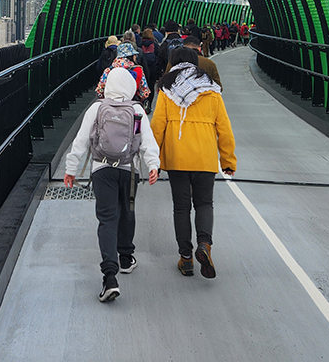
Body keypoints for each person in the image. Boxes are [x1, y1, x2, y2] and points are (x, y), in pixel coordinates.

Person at [65, 68, 160, 302]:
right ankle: (126, 258)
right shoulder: (137, 110)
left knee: (107, 219)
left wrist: (71, 169)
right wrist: (153, 165)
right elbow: (145, 140)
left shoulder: (97, 108)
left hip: (102, 168)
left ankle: (109, 276)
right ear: (130, 87)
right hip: (128, 170)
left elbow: (81, 140)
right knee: (127, 211)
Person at [150, 46, 236, 279]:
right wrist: (228, 160)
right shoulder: (212, 91)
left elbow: (157, 127)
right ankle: (205, 245)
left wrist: (152, 160)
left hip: (177, 158)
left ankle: (186, 258)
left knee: (181, 207)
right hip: (205, 158)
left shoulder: (167, 89)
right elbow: (224, 129)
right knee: (205, 204)